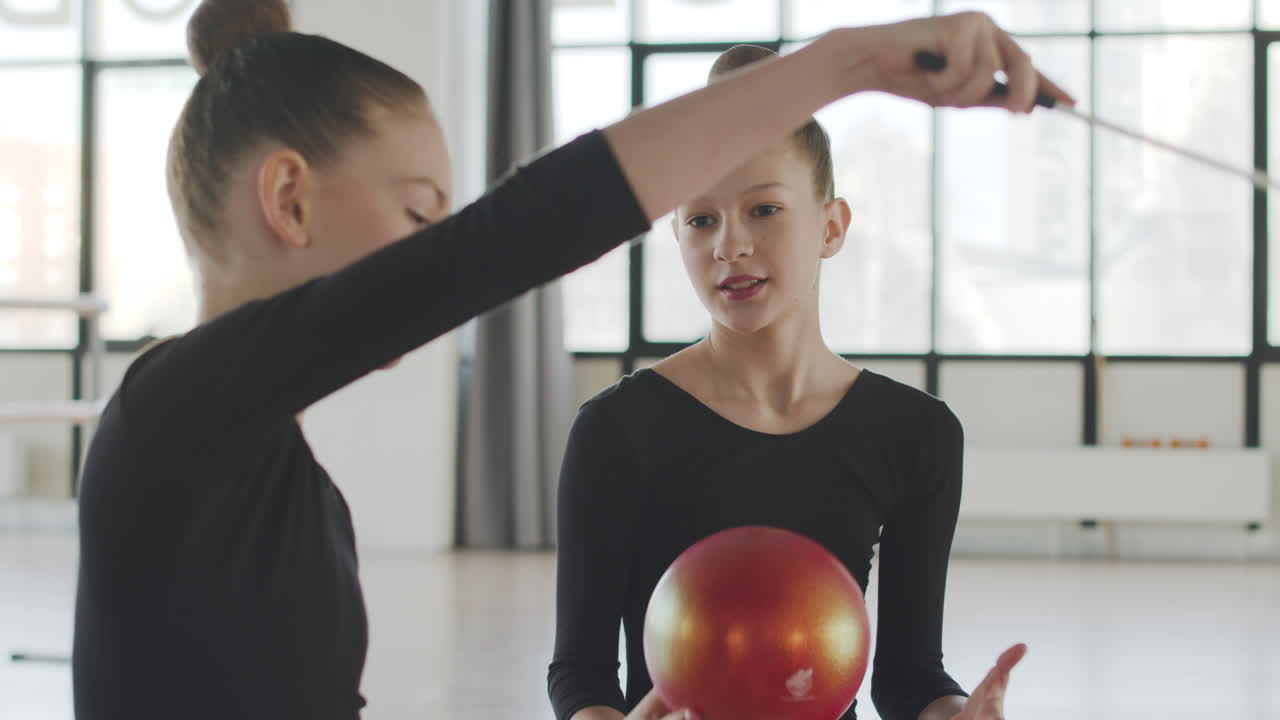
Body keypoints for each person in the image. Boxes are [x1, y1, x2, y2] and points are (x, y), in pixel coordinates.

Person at [69, 0, 1071, 716]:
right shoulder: (177, 413)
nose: (436, 258)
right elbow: (516, 235)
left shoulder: (279, 481)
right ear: (289, 199)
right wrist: (850, 59)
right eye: (422, 218)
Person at [549, 43, 1066, 720]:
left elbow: (909, 678)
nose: (729, 245)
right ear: (676, 236)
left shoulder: (915, 433)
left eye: (764, 210)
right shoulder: (618, 430)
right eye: (701, 220)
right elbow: (581, 676)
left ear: (831, 225)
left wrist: (955, 713)